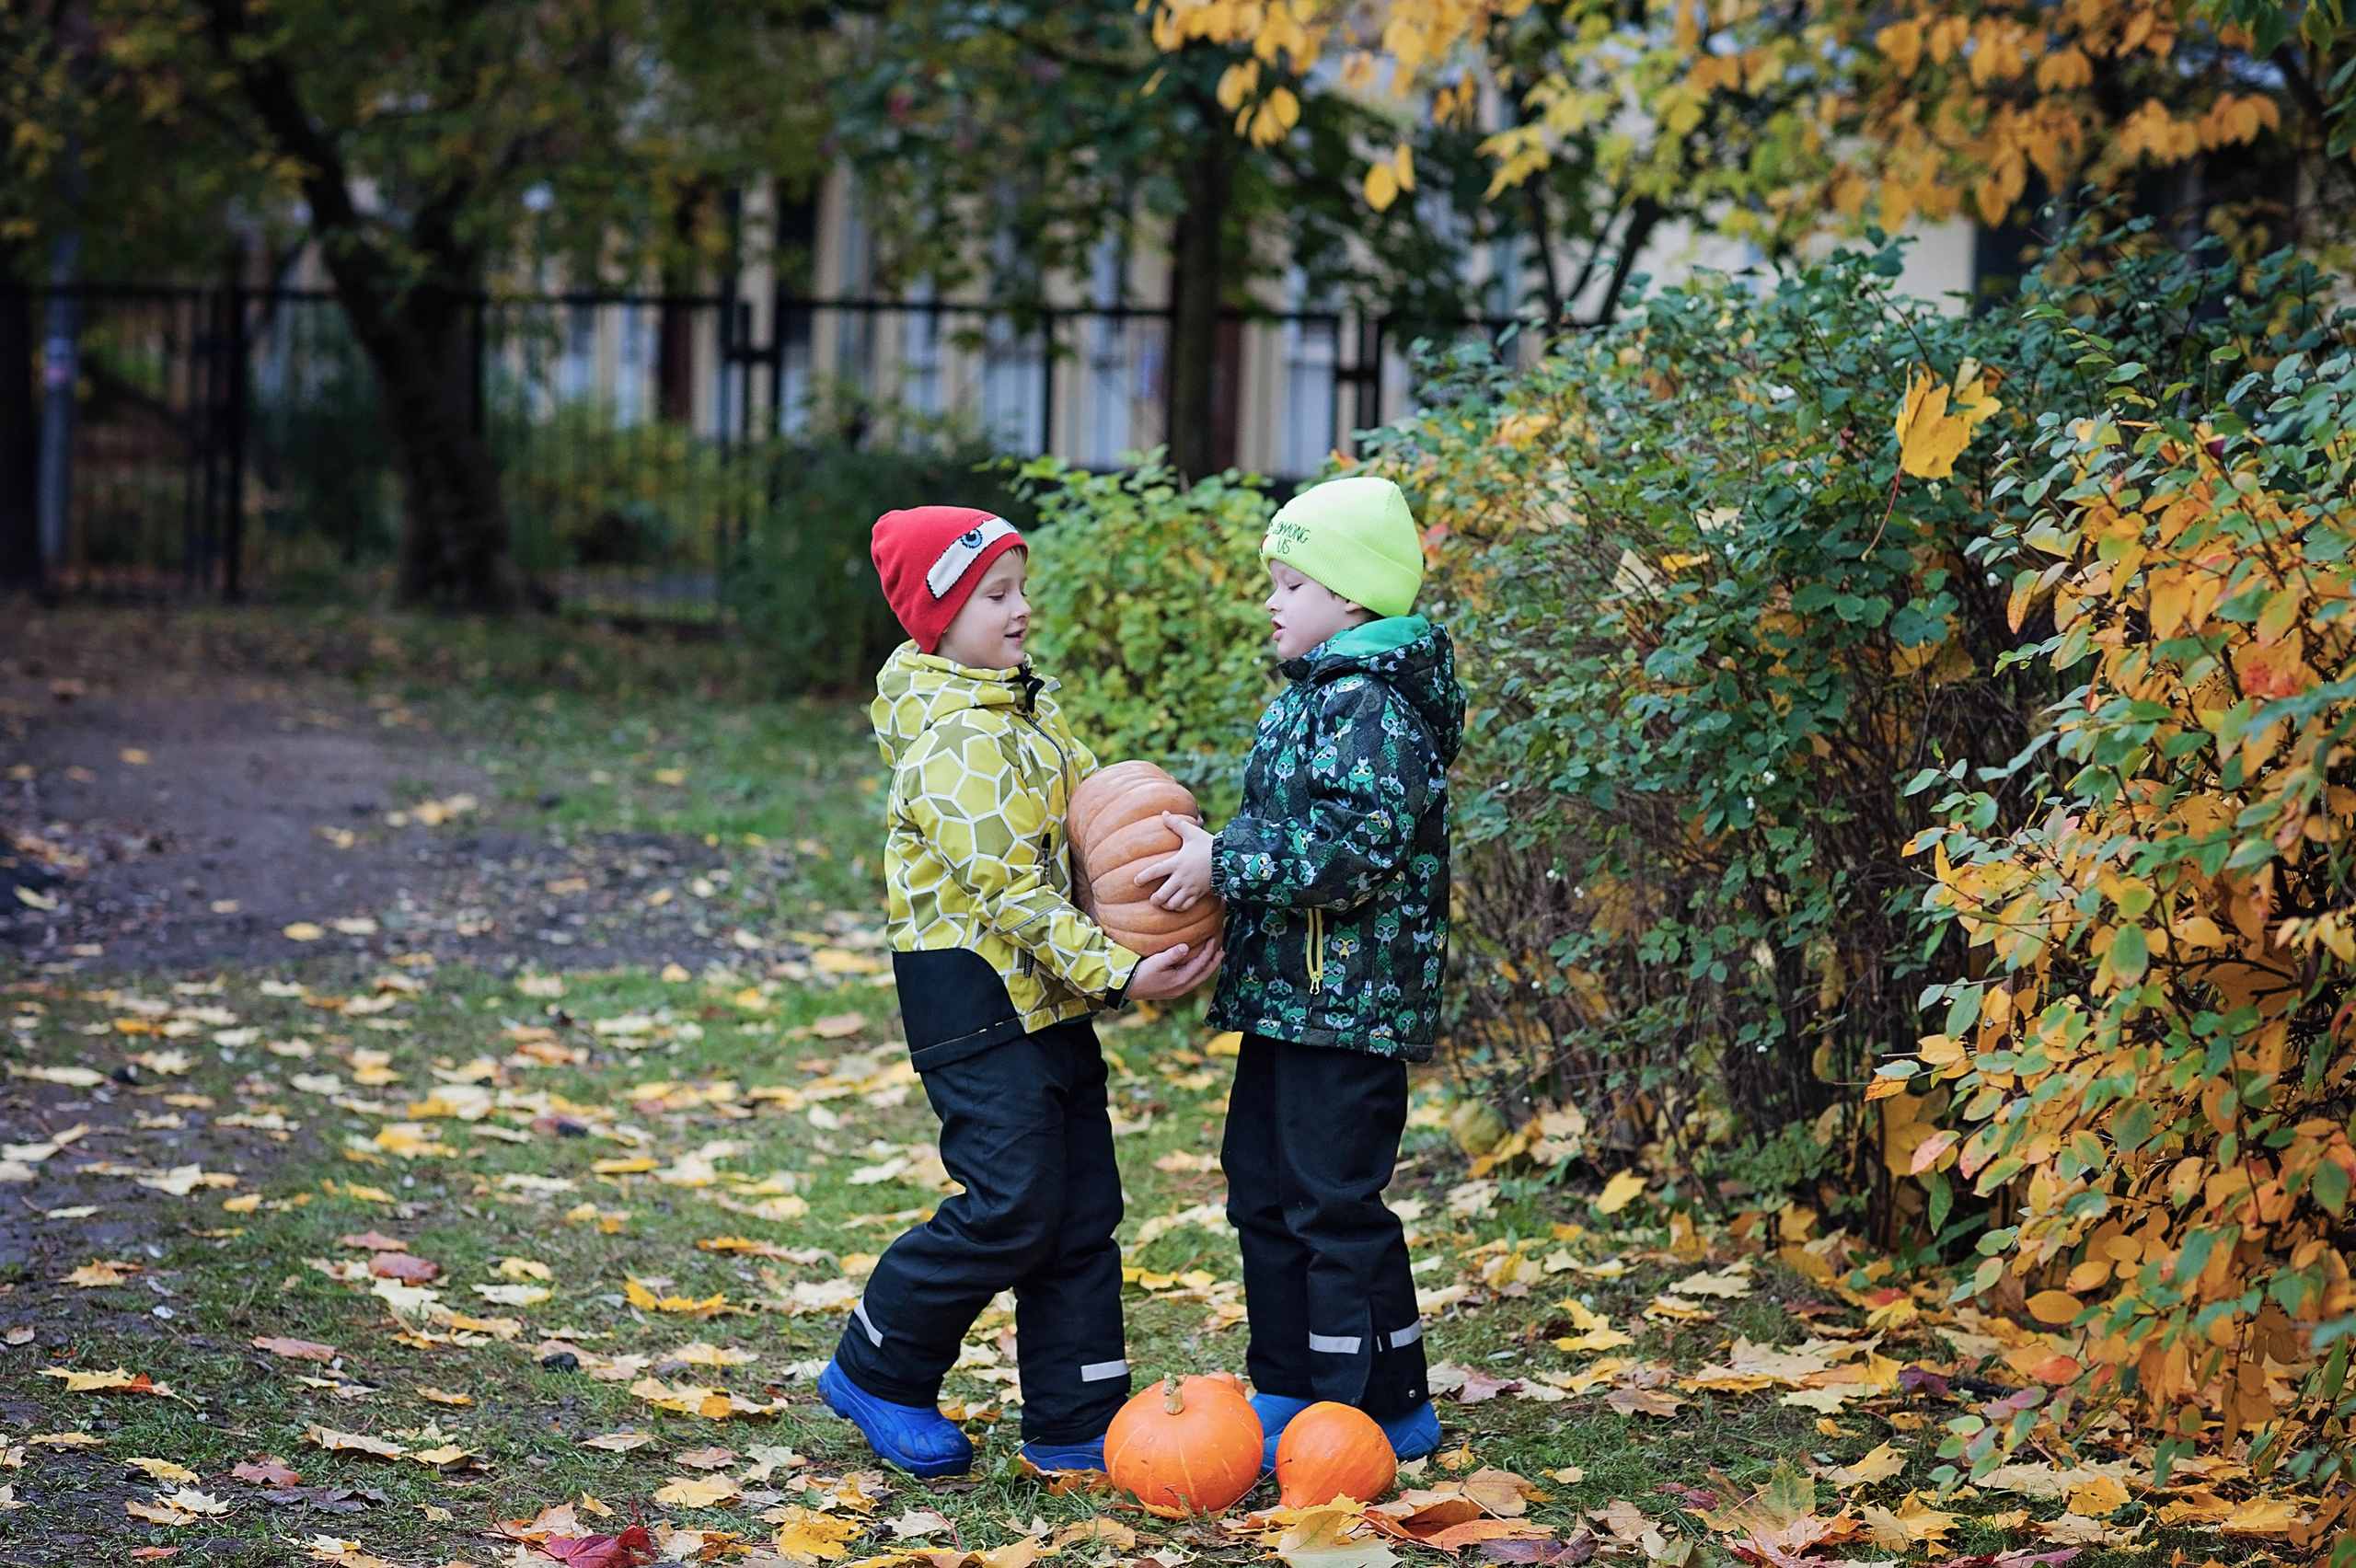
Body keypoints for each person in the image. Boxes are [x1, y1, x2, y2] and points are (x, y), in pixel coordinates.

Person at [815, 505, 1220, 1479]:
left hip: (1050, 1000)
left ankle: (1077, 1421)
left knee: (1082, 1209)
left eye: (1020, 588)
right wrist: (1119, 968)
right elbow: (1005, 890)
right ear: (937, 618)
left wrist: (1172, 881)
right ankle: (878, 1365)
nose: (1022, 609)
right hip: (976, 1002)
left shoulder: (1023, 711)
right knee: (1012, 1204)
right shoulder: (952, 744)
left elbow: (1094, 827)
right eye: (995, 595)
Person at [1134, 474, 1462, 1467]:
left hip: (1349, 1014)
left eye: (1288, 582)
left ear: (1350, 597)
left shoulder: (1372, 705)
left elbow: (1352, 849)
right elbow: (1294, 831)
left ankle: (1372, 1406)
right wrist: (1214, 851)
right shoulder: (1316, 697)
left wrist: (1222, 861)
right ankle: (1285, 1384)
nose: (1269, 601)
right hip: (1289, 1003)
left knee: (1330, 1202)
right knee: (1262, 1190)